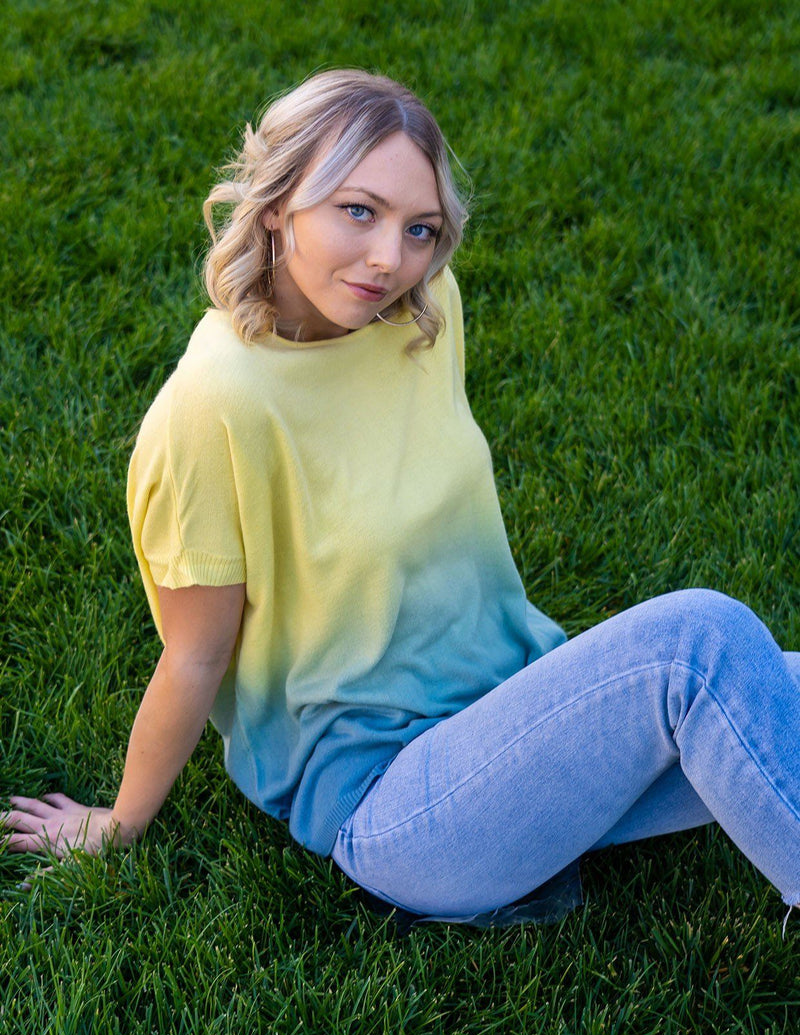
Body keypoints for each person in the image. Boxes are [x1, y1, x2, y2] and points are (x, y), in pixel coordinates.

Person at [3, 69, 799, 927]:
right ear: (278, 203)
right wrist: (118, 823)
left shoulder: (423, 309)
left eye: (420, 228)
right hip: (393, 798)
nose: (391, 257)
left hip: (510, 711)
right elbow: (195, 654)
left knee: (755, 679)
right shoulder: (213, 407)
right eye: (359, 210)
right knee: (699, 645)